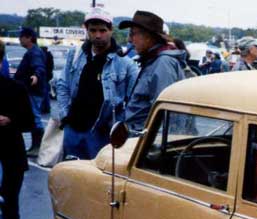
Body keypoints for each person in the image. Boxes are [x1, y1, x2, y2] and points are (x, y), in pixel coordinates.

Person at [57, 8, 139, 160]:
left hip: (101, 134)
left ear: (111, 30)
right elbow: (62, 85)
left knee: (96, 180)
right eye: (93, 30)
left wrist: (119, 130)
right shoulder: (74, 55)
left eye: (102, 30)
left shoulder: (126, 64)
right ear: (86, 29)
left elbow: (134, 101)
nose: (98, 35)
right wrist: (65, 116)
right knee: (72, 176)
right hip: (73, 130)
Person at [119, 11, 186, 132]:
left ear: (148, 37)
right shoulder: (153, 61)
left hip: (145, 142)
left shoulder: (163, 64)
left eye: (133, 33)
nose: (129, 39)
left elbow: (165, 115)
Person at [0, 71, 33, 219]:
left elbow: (29, 122)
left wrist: (10, 119)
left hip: (11, 157)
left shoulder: (15, 88)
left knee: (9, 204)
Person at [14, 28, 47, 157]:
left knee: (35, 117)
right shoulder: (32, 51)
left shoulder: (34, 53)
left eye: (21, 37)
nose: (19, 39)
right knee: (33, 117)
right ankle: (35, 146)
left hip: (33, 90)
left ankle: (38, 147)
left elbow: (39, 67)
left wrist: (36, 76)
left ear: (29, 38)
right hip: (31, 90)